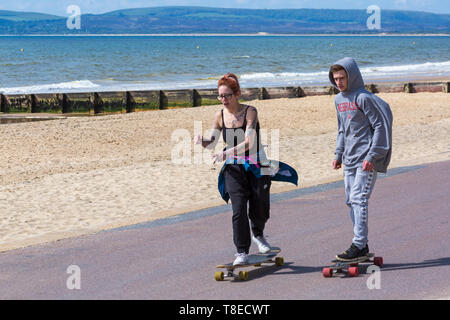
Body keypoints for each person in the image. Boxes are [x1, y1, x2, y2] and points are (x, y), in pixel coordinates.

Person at [194, 73, 297, 266]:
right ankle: (241, 251)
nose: (224, 100)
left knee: (260, 206)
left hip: (257, 166)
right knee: (238, 208)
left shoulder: (250, 112)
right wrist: (202, 141)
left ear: (237, 94)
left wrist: (226, 152)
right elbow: (212, 143)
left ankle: (258, 234)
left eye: (227, 96)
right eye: (220, 96)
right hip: (234, 169)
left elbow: (249, 141)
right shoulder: (219, 115)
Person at [329, 57, 393, 261]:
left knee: (359, 199)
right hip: (349, 159)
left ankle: (358, 243)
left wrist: (373, 155)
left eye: (342, 78)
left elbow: (380, 126)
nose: (338, 82)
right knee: (351, 201)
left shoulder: (363, 98)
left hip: (366, 159)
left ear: (352, 76)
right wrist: (338, 154)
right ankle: (362, 245)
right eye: (335, 78)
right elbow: (342, 129)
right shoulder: (338, 100)